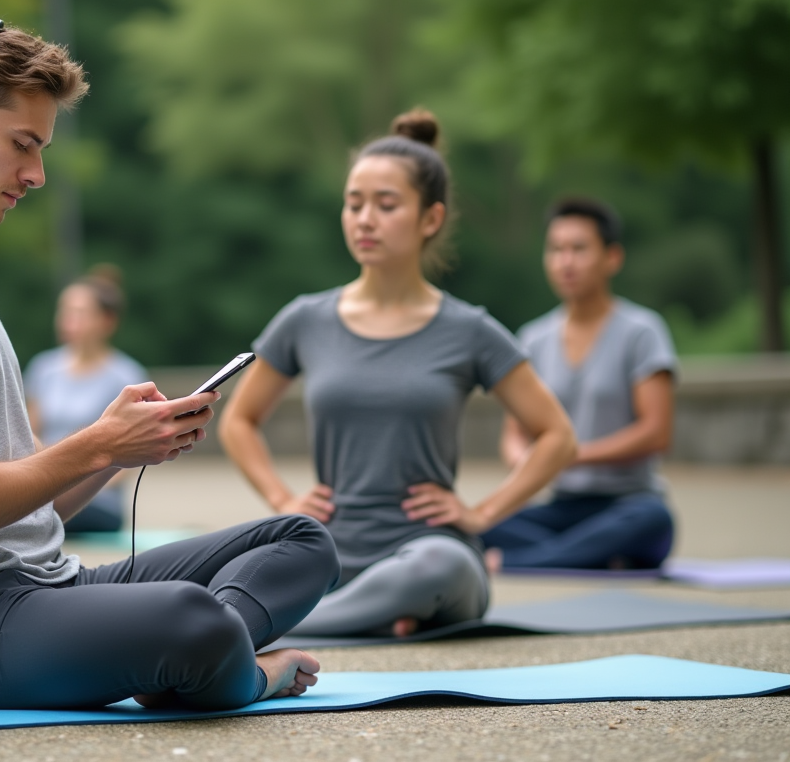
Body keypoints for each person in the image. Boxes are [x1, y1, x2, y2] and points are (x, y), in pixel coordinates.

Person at [0, 6, 339, 712]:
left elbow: (23, 497)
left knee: (303, 542)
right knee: (190, 618)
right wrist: (91, 446)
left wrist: (117, 450)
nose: (37, 173)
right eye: (24, 143)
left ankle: (192, 662)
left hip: (41, 587)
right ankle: (236, 670)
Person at [219, 110, 577, 638]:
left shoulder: (469, 329)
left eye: (386, 206)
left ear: (430, 219)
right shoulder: (305, 320)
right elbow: (238, 420)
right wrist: (283, 501)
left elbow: (558, 437)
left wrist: (481, 514)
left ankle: (289, 626)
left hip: (428, 553)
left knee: (438, 568)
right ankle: (379, 617)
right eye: (354, 203)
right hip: (330, 553)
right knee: (223, 563)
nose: (365, 219)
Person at [482, 198, 677, 570]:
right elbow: (514, 433)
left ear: (612, 258)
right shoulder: (534, 339)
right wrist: (524, 461)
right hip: (562, 508)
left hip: (628, 502)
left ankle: (517, 562)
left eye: (579, 249)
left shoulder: (642, 332)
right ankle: (591, 556)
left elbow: (656, 433)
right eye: (556, 250)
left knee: (653, 521)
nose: (565, 262)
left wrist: (569, 454)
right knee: (477, 523)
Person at [24, 265, 147, 533]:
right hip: (45, 487)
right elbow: (29, 434)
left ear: (107, 321)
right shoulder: (43, 368)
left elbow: (135, 450)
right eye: (64, 311)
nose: (67, 320)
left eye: (79, 313)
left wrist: (76, 482)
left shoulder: (127, 375)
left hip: (98, 498)